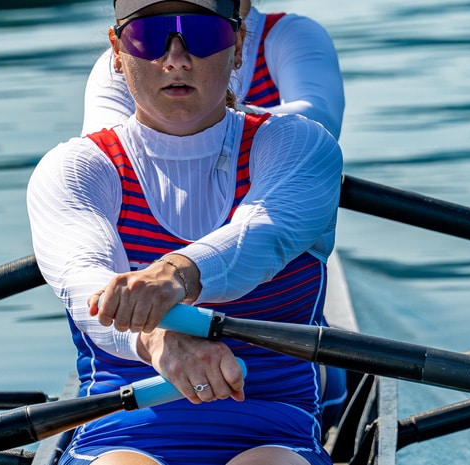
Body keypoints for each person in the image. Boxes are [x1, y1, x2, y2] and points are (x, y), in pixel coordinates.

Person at [27, 0, 342, 463]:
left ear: (237, 45)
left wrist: (174, 274)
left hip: (272, 429)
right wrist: (158, 342)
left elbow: (261, 233)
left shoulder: (299, 145)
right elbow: (83, 283)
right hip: (119, 429)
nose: (175, 58)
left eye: (199, 32)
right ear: (117, 50)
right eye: (150, 36)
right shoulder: (75, 169)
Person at [80, 0, 345, 139]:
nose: (176, 60)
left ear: (239, 43)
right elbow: (104, 150)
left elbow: (320, 121)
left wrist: (211, 119)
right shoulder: (129, 56)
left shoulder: (290, 35)